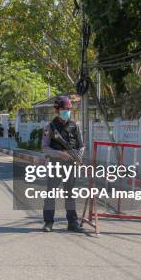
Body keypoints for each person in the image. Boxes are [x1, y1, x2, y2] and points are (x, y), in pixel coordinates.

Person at [41, 95, 85, 233]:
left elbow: (81, 145)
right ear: (57, 110)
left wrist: (78, 156)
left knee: (70, 194)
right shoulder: (50, 127)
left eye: (69, 109)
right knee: (51, 193)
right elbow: (44, 148)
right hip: (56, 164)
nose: (67, 111)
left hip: (71, 165)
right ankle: (48, 222)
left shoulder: (74, 126)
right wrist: (60, 154)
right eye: (64, 109)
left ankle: (72, 222)